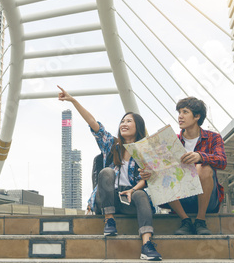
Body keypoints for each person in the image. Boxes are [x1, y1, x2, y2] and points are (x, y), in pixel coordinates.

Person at [58, 86, 161, 261]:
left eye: (129, 121)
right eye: (122, 121)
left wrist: (134, 189)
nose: (124, 124)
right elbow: (93, 122)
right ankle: (109, 220)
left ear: (138, 126)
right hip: (107, 199)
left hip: (129, 197)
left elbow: (146, 181)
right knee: (106, 171)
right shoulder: (111, 145)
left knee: (141, 195)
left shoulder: (145, 152)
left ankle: (147, 245)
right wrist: (73, 100)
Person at [164, 96, 227, 235]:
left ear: (197, 116)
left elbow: (222, 161)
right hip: (181, 198)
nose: (180, 116)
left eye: (185, 112)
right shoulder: (172, 140)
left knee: (203, 167)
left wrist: (200, 156)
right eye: (179, 112)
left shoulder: (213, 137)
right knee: (164, 170)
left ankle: (200, 220)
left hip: (207, 198)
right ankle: (185, 220)